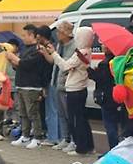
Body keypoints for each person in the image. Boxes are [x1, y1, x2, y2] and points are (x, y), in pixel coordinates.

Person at [40, 26, 95, 155]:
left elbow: (65, 66)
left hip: (75, 89)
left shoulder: (81, 52)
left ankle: (81, 147)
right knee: (82, 119)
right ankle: (88, 146)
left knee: (75, 120)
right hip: (79, 87)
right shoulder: (87, 50)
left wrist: (53, 53)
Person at [6, 24, 48, 149]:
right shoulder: (25, 48)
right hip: (21, 84)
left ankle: (37, 137)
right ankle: (25, 136)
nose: (23, 38)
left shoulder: (38, 50)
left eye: (24, 35)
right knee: (23, 113)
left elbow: (28, 64)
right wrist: (12, 61)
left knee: (33, 113)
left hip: (32, 86)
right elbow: (19, 65)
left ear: (31, 35)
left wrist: (14, 58)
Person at [88, 48, 125, 152]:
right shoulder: (120, 61)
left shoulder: (105, 63)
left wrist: (90, 70)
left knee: (110, 125)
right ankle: (121, 150)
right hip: (118, 95)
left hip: (107, 97)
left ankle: (113, 150)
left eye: (104, 44)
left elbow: (100, 78)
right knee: (121, 125)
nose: (102, 46)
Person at [50, 22, 76, 151]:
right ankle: (65, 138)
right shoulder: (60, 44)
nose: (57, 34)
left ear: (66, 33)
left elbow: (65, 64)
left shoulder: (74, 46)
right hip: (56, 82)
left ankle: (73, 140)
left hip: (67, 84)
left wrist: (54, 53)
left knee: (69, 114)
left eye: (59, 32)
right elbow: (54, 62)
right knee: (61, 113)